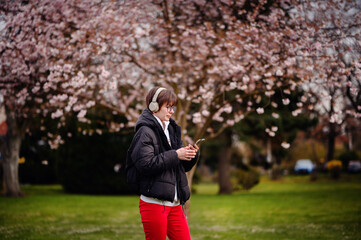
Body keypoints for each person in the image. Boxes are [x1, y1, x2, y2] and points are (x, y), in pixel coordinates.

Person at [127, 87, 199, 240]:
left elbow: (181, 166)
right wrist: (175, 154)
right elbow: (145, 165)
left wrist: (190, 155)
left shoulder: (171, 129)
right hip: (154, 204)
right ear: (154, 106)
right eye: (168, 106)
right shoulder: (144, 132)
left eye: (173, 107)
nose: (172, 111)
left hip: (175, 204)